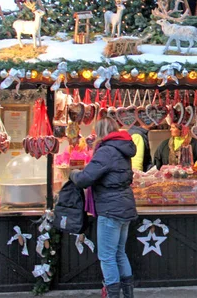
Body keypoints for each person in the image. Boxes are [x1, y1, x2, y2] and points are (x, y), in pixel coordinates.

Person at [70, 118, 137, 298]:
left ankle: (113, 295)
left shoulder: (106, 151)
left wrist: (73, 173)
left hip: (110, 209)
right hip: (124, 205)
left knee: (107, 256)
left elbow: (85, 179)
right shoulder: (122, 148)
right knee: (120, 253)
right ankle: (128, 295)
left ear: (100, 132)